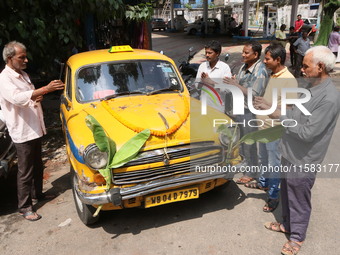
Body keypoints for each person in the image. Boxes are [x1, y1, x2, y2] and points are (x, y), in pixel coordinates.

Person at [256, 46, 340, 255]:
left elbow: (307, 132)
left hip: (304, 159)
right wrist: (275, 108)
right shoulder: (311, 87)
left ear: (320, 67)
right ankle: (287, 225)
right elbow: (298, 113)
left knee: (299, 199)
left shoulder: (329, 98)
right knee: (287, 193)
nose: (301, 69)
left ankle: (297, 238)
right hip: (290, 151)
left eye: (305, 66)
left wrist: (279, 116)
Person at [0, 41, 65, 221]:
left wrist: (38, 95)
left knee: (37, 164)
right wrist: (44, 89)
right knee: (25, 170)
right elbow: (17, 99)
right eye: (22, 57)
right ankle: (25, 207)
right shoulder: (4, 78)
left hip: (33, 127)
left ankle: (38, 194)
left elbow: (28, 97)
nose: (26, 60)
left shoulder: (22, 74)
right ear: (9, 58)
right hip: (22, 130)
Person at [246, 43, 298, 213]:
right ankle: (263, 183)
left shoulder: (289, 80)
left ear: (278, 59)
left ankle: (274, 195)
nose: (265, 61)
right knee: (264, 159)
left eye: (267, 58)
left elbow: (289, 110)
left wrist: (267, 106)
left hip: (275, 131)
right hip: (263, 127)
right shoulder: (273, 75)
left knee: (274, 163)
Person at [223, 41, 268, 184]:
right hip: (239, 109)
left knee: (249, 143)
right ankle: (245, 167)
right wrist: (233, 82)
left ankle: (251, 173)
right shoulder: (243, 66)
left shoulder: (260, 71)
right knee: (241, 142)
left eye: (246, 52)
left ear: (255, 54)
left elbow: (254, 94)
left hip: (250, 111)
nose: (243, 54)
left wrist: (236, 85)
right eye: (242, 52)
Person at [195, 40, 232, 113]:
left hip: (218, 108)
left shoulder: (225, 68)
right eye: (206, 52)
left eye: (210, 53)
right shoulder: (202, 66)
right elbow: (197, 86)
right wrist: (202, 81)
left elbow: (227, 89)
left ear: (217, 53)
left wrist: (210, 82)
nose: (207, 55)